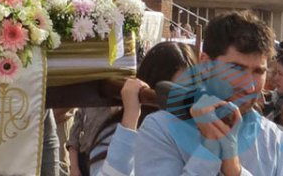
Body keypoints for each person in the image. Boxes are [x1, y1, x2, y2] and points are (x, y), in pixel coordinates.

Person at [134, 11, 283, 176]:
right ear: (206, 65)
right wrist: (209, 153)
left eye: (258, 72)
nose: (250, 87)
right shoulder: (161, 129)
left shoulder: (277, 140)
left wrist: (235, 171)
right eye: (237, 68)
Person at [69, 42, 196, 176]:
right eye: (174, 94)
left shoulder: (196, 133)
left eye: (190, 93)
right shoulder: (115, 133)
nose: (184, 104)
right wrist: (130, 119)